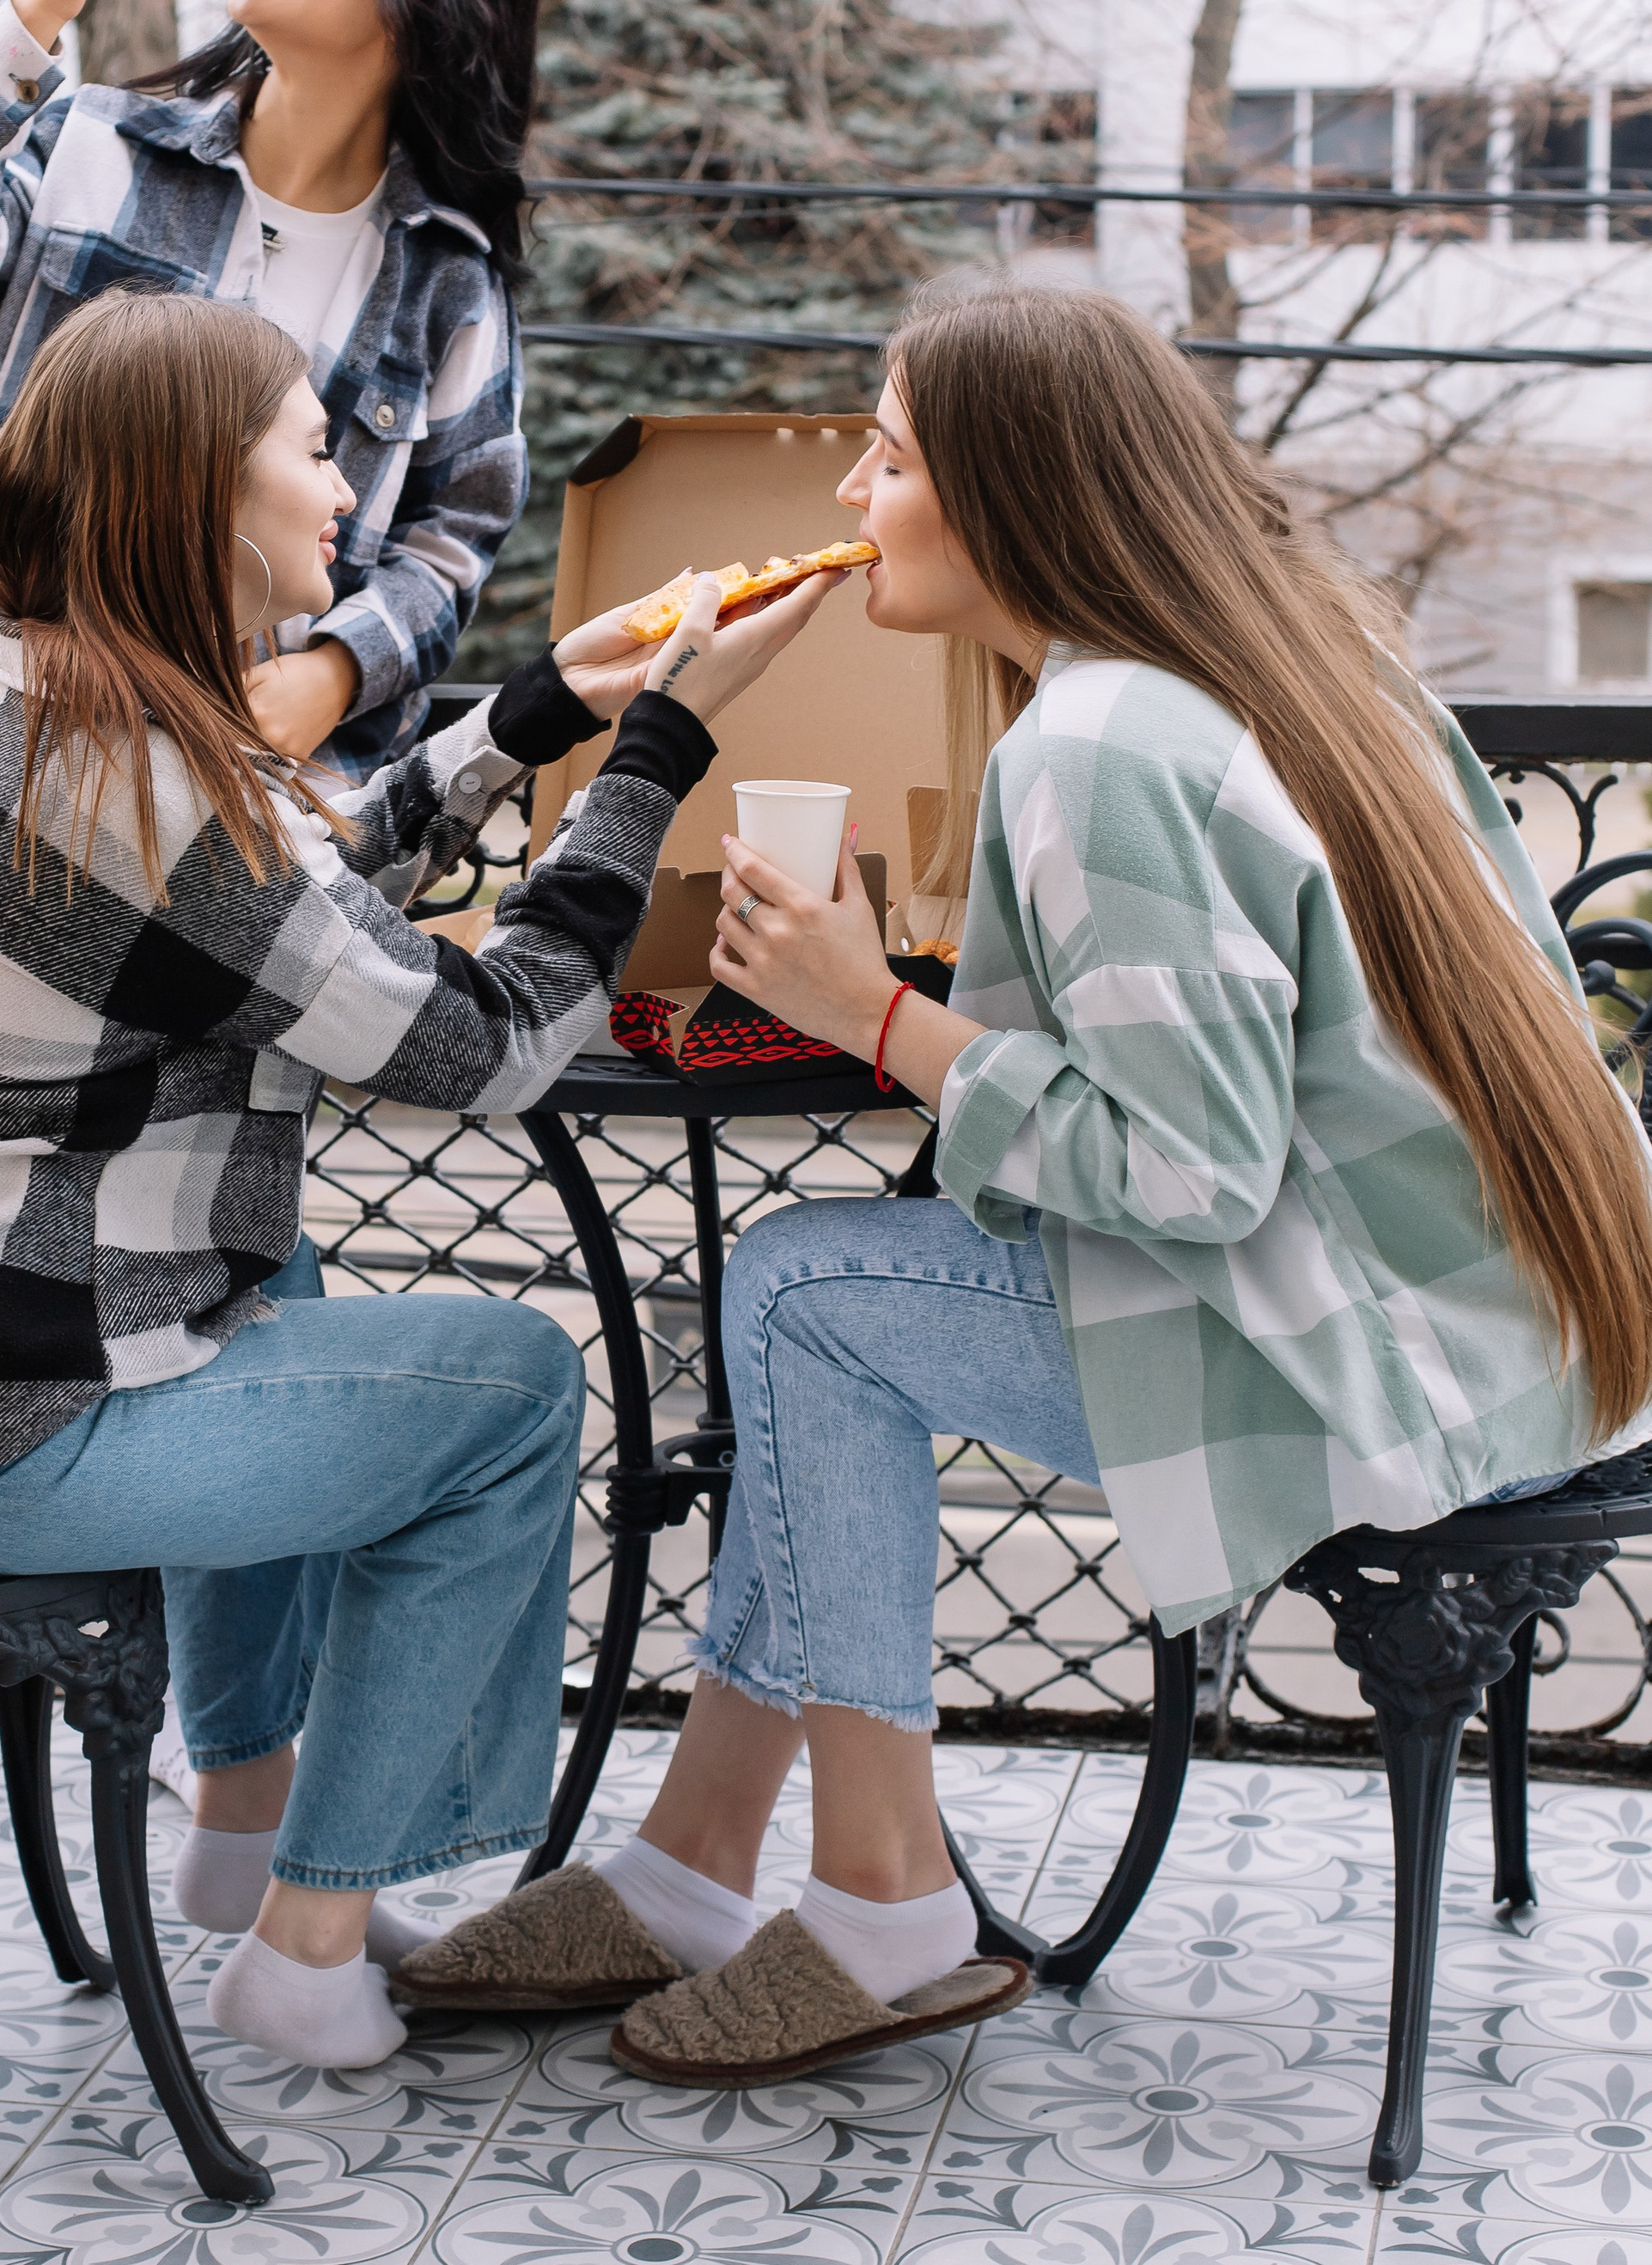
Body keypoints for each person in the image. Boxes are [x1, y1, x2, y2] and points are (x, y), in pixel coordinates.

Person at [393, 278, 1652, 2086]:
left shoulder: (1097, 748)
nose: (846, 500)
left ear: (1005, 491)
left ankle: (879, 1899)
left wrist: (859, 1011)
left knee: (807, 1295)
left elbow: (1187, 1169)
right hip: (1512, 1321)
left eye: (886, 458)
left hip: (1377, 1369)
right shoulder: (1292, 652)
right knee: (826, 1302)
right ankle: (683, 1868)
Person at [0, 287, 843, 2072]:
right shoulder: (135, 777)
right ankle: (307, 1948)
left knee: (270, 1281)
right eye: (312, 451)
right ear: (198, 489)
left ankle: (244, 1838)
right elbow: (482, 1048)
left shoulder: (4, 671)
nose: (345, 493)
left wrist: (541, 708)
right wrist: (656, 757)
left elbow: (279, 882)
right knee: (505, 1392)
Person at [0, 0, 541, 778]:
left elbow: (455, 537)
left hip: (241, 794)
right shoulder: (99, 147)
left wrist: (339, 671)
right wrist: (33, 13)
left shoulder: (446, 281)